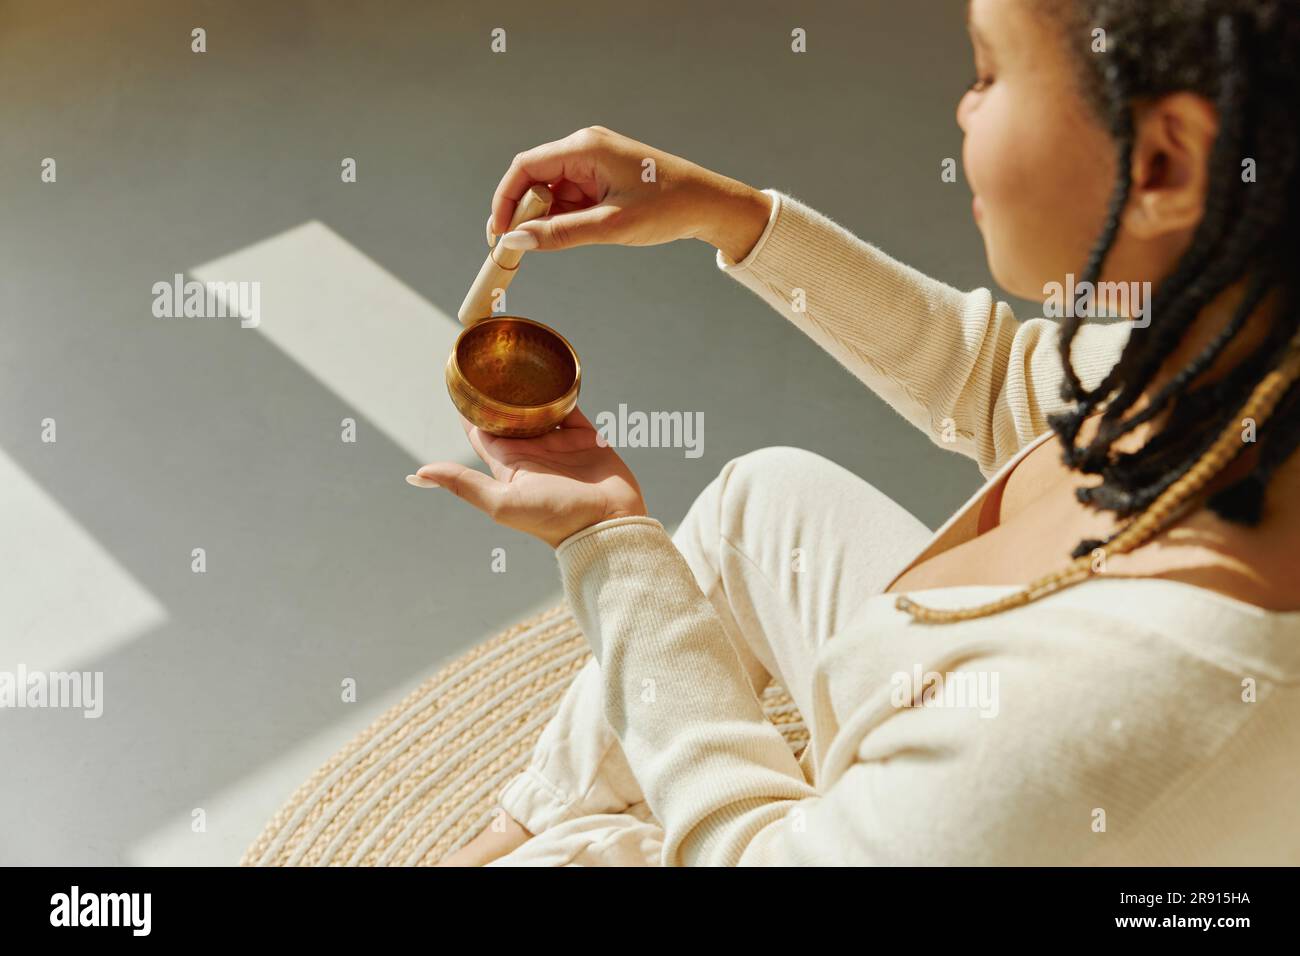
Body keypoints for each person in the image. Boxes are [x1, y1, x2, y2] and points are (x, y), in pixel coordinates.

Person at [418, 0, 1300, 866]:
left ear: (1162, 163)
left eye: (988, 71)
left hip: (953, 804)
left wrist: (602, 541)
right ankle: (512, 830)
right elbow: (1003, 386)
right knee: (763, 503)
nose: (963, 104)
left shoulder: (1082, 724)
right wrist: (723, 213)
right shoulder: (1244, 341)